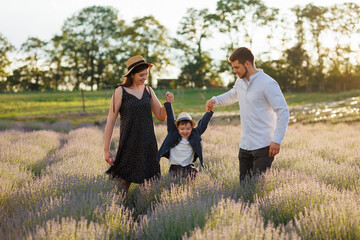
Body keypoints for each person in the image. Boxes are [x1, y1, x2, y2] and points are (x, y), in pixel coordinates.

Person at [206, 47, 289, 182]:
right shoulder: (240, 82)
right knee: (244, 190)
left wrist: (277, 140)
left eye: (237, 67)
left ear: (247, 64)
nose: (234, 71)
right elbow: (232, 95)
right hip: (245, 146)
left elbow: (283, 111)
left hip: (264, 146)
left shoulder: (268, 83)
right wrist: (215, 100)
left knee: (258, 190)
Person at [104, 55, 169, 193]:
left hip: (148, 142)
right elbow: (111, 121)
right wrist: (106, 149)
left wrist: (167, 103)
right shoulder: (120, 91)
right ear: (132, 74)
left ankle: (146, 210)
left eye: (146, 74)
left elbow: (161, 116)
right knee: (123, 183)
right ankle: (118, 209)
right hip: (129, 142)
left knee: (151, 183)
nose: (145, 77)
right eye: (141, 75)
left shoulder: (148, 91)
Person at [157, 94, 214, 177]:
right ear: (177, 128)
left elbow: (202, 125)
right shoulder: (173, 133)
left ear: (192, 128)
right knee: (176, 180)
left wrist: (208, 113)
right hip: (175, 167)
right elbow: (170, 118)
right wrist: (168, 103)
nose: (185, 131)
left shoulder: (194, 134)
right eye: (182, 129)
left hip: (189, 166)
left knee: (194, 178)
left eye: (188, 128)